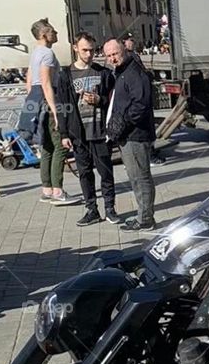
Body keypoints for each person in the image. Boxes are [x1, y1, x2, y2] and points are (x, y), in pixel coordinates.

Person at [55, 34, 118, 226]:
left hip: (99, 131)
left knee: (106, 172)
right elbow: (62, 105)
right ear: (75, 48)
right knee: (84, 173)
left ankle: (110, 209)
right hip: (78, 134)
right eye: (85, 50)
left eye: (92, 50)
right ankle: (92, 209)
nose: (89, 54)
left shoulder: (103, 73)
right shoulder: (66, 75)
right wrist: (64, 134)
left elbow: (114, 102)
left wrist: (100, 100)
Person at [103, 38, 157, 231]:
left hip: (135, 135)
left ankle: (145, 220)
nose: (112, 59)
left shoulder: (134, 72)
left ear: (124, 51)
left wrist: (122, 124)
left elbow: (140, 105)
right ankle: (144, 216)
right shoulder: (122, 72)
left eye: (115, 54)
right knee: (136, 177)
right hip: (128, 135)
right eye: (109, 56)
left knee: (140, 177)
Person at [25, 19, 79, 206]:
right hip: (49, 100)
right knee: (59, 146)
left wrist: (33, 104)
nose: (56, 33)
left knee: (46, 146)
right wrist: (56, 112)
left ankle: (47, 189)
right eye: (52, 31)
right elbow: (46, 83)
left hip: (36, 100)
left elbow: (29, 81)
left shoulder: (35, 54)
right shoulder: (47, 53)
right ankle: (58, 191)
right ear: (43, 35)